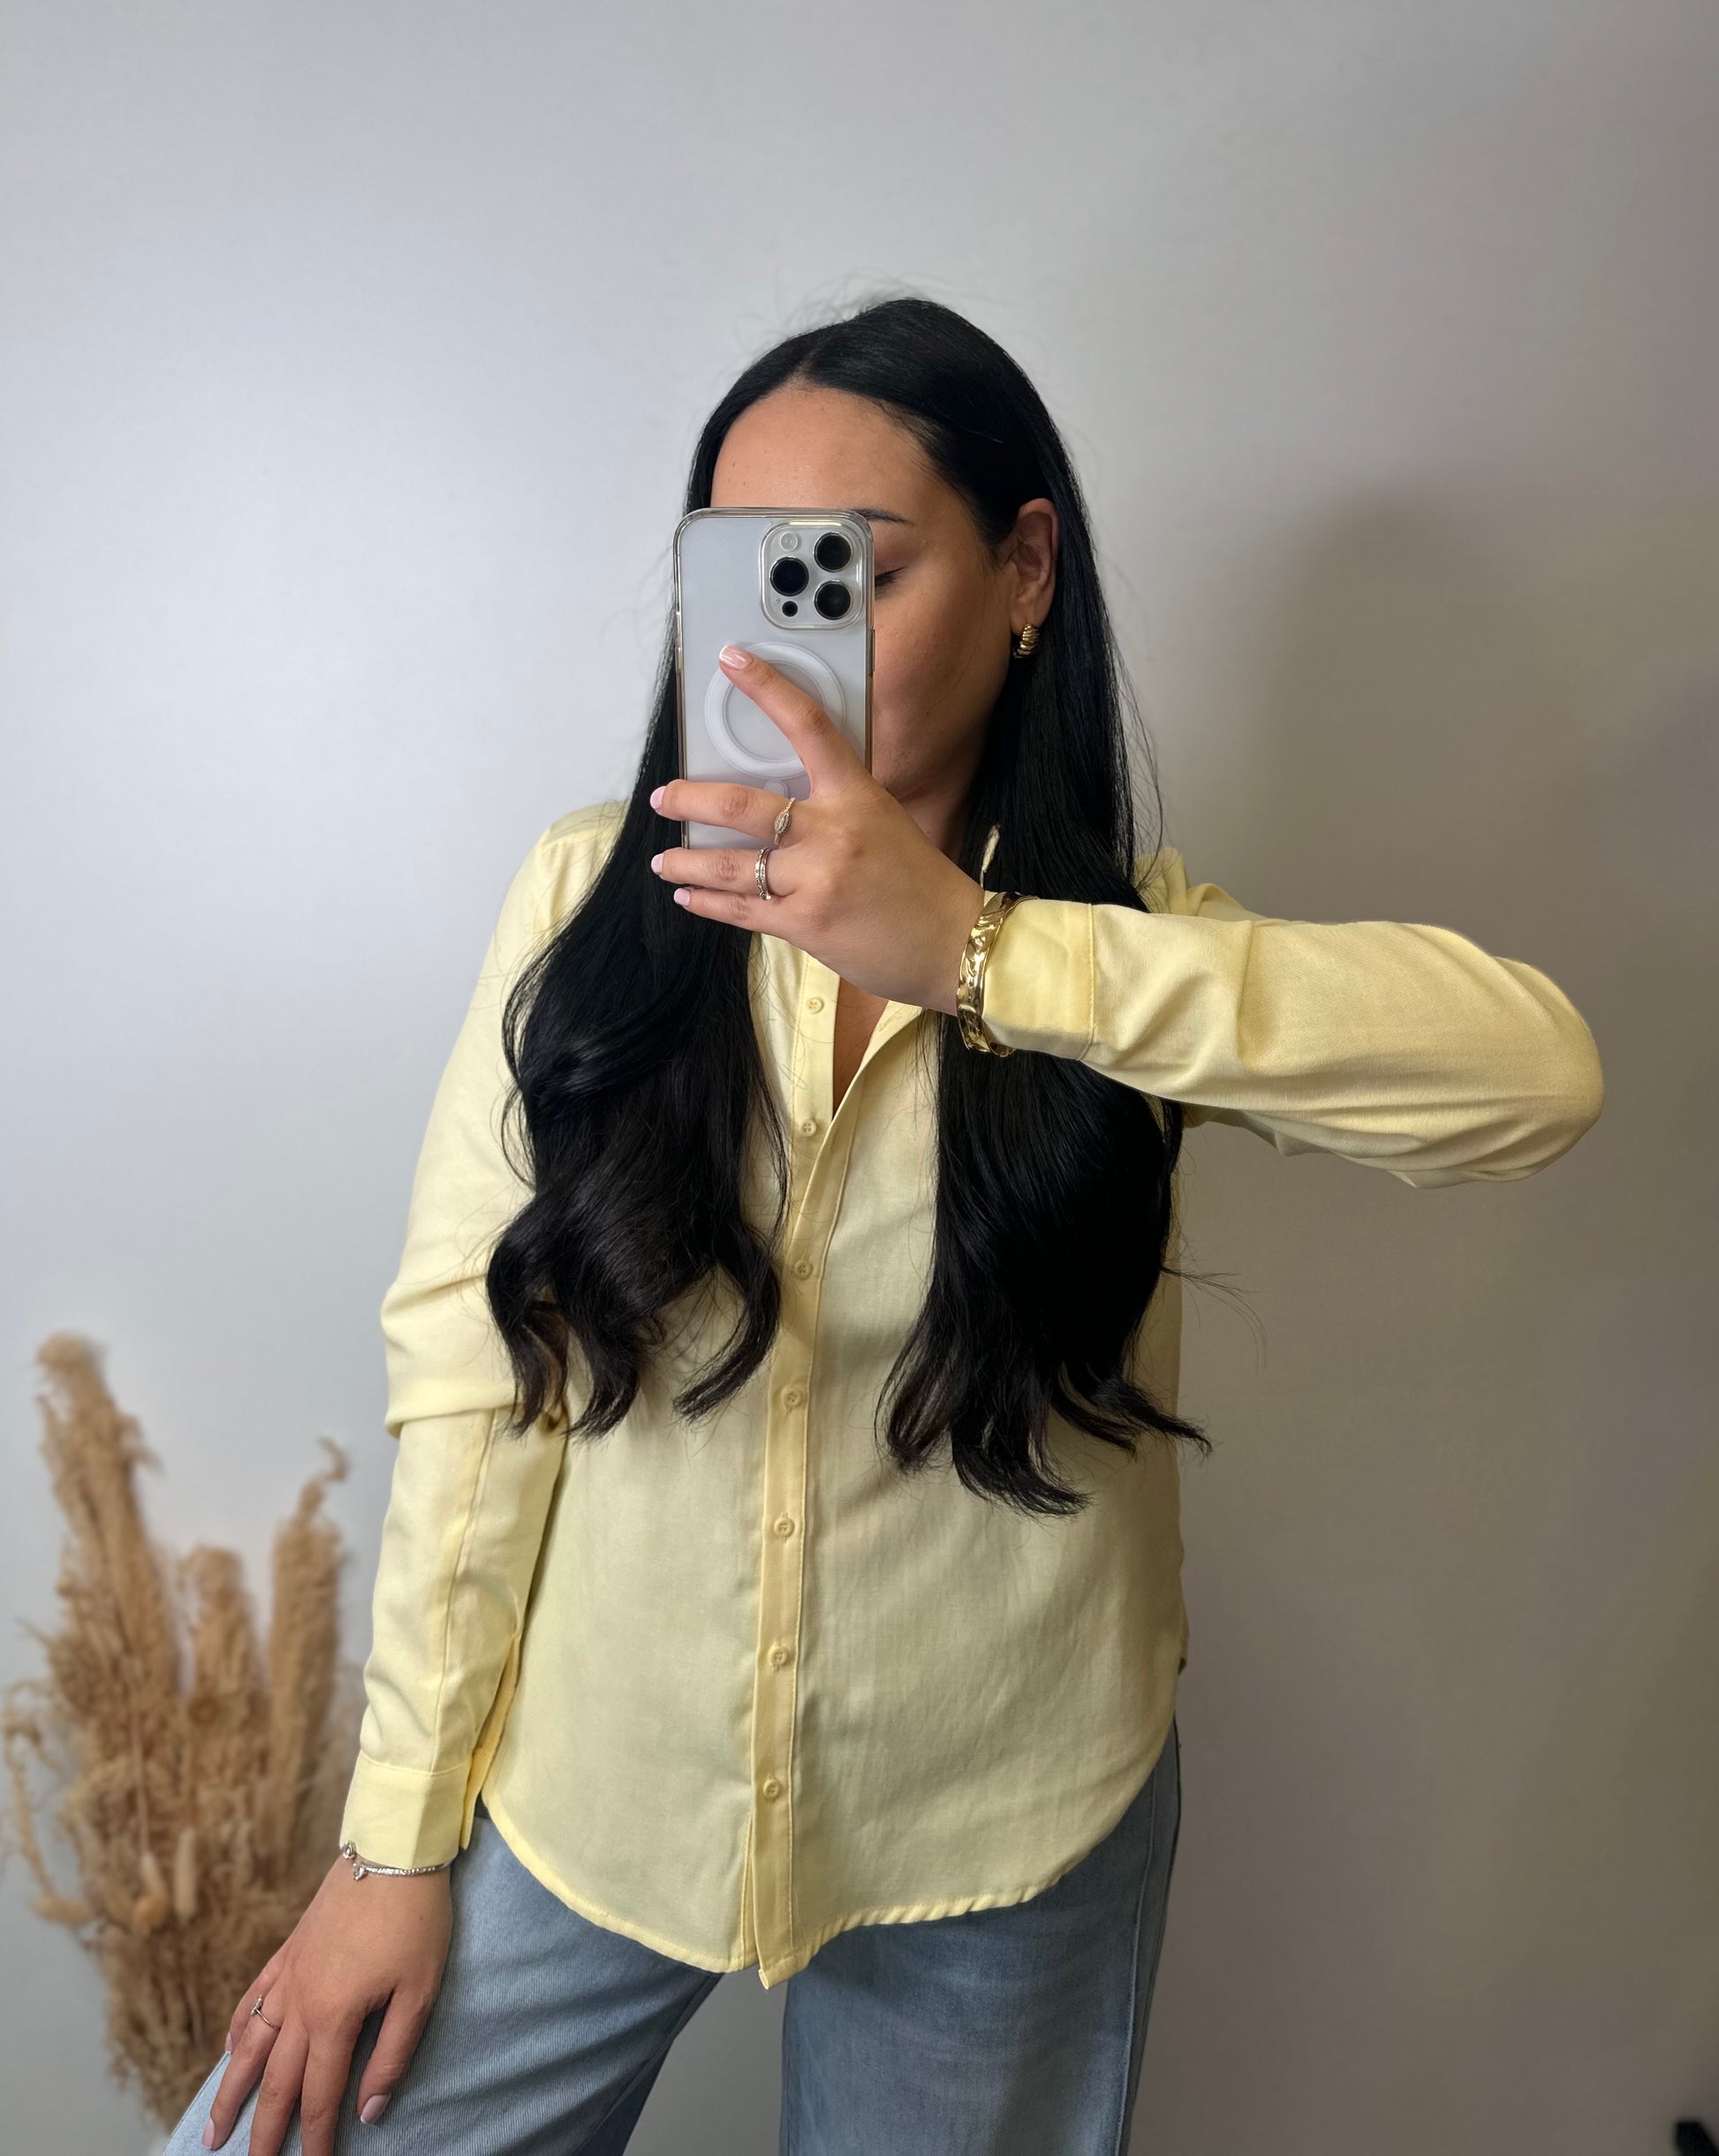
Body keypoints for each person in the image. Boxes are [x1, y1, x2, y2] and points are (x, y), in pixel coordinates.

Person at [162, 293, 1604, 2156]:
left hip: (1007, 1822)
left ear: (1025, 573)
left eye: (846, 571)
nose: (779, 646)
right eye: (740, 569)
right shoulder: (585, 907)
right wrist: (392, 1846)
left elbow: (1535, 1081)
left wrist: (986, 954)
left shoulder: (1126, 957)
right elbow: (474, 1378)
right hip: (596, 1786)